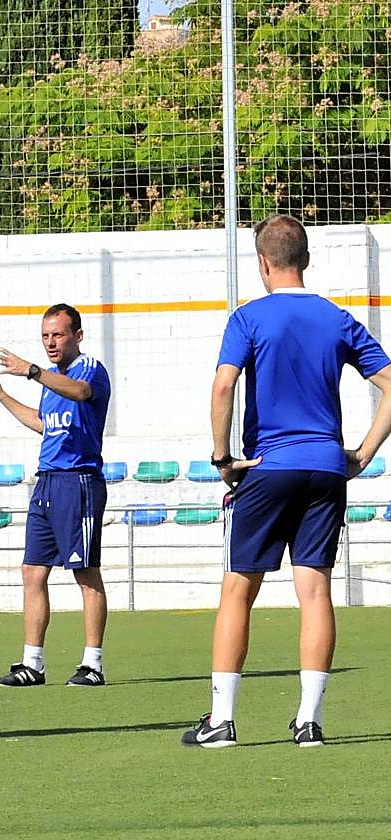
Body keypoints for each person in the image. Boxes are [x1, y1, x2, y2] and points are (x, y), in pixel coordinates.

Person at [181, 214, 391, 749]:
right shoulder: (337, 318)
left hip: (269, 467)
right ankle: (309, 722)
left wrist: (223, 456)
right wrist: (362, 454)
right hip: (325, 467)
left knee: (239, 588)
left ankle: (221, 721)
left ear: (263, 263)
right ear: (307, 260)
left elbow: (223, 384)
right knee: (315, 590)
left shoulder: (248, 318)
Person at [0, 303, 112, 688]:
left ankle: (93, 664)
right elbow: (43, 423)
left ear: (78, 336)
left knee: (85, 572)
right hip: (48, 482)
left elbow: (82, 392)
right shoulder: (50, 379)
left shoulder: (88, 370)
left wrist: (33, 372)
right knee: (33, 571)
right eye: (46, 337)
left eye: (58, 335)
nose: (51, 343)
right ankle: (32, 663)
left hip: (79, 481)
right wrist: (1, 393)